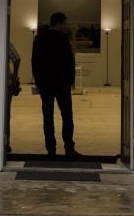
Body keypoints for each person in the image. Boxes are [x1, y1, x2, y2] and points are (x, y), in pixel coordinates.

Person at [31, 12, 80, 158]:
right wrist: (71, 80)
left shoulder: (39, 39)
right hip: (62, 84)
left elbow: (35, 61)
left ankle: (51, 149)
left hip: (46, 84)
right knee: (67, 116)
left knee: (48, 117)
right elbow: (70, 61)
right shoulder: (63, 39)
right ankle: (69, 148)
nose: (65, 26)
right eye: (64, 24)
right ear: (59, 23)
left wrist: (39, 81)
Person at [5, 40, 21, 153]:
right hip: (8, 84)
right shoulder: (6, 43)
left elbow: (17, 59)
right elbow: (16, 58)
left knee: (4, 115)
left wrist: (14, 75)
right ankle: (6, 144)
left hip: (6, 84)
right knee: (6, 115)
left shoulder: (5, 43)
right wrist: (15, 74)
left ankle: (5, 143)